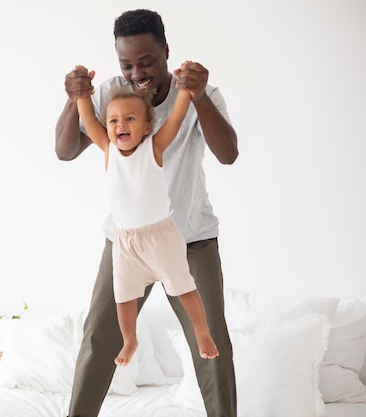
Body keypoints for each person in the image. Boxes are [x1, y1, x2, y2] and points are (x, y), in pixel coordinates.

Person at [55, 8, 238, 417]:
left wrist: (200, 94)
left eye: (146, 62)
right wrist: (74, 100)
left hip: (190, 239)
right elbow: (66, 150)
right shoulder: (111, 95)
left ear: (166, 52)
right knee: (99, 340)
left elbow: (228, 154)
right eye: (127, 64)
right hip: (127, 241)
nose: (137, 73)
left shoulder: (193, 93)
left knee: (211, 343)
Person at [75, 64, 218, 366]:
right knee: (123, 297)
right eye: (113, 120)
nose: (120, 125)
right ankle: (130, 340)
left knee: (184, 287)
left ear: (146, 127)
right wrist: (83, 94)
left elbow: (177, 118)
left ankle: (202, 331)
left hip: (160, 236)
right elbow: (88, 118)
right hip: (125, 241)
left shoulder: (154, 148)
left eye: (129, 118)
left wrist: (184, 91)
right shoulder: (108, 150)